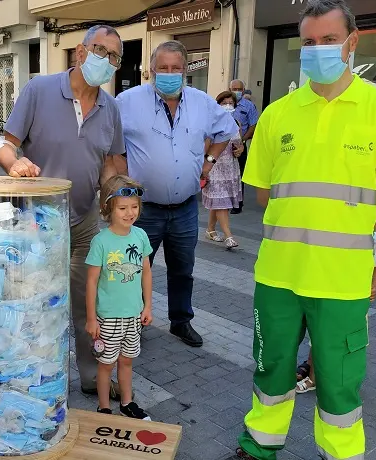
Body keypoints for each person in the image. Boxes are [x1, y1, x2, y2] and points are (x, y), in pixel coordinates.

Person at [235, 1, 376, 459]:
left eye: (328, 40)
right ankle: (258, 447)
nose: (317, 50)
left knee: (338, 380)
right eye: (309, 42)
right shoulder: (278, 113)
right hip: (279, 275)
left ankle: (340, 454)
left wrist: (347, 227)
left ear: (352, 43)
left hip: (342, 280)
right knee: (270, 367)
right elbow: (263, 192)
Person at [0, 24, 128, 401]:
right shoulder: (40, 90)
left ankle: (90, 376)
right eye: (99, 50)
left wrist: (115, 195)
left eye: (114, 55)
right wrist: (13, 163)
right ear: (80, 52)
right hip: (37, 220)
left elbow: (110, 162)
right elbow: (5, 143)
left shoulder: (110, 108)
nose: (105, 59)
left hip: (85, 219)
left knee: (90, 303)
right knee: (34, 302)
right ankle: (33, 377)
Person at [116, 40, 238, 348]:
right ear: (152, 70)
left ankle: (181, 321)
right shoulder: (126, 101)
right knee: (133, 268)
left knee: (183, 269)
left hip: (184, 207)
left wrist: (208, 165)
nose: (169, 74)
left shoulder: (202, 102)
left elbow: (226, 131)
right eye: (163, 68)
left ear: (185, 71)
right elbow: (110, 143)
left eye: (176, 68)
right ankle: (133, 322)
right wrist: (121, 183)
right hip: (143, 209)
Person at [85, 175, 153, 420]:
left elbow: (146, 272)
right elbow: (91, 282)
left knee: (127, 361)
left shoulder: (141, 236)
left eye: (134, 207)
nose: (129, 213)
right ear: (108, 208)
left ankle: (127, 402)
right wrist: (92, 319)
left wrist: (147, 306)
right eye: (123, 208)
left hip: (133, 315)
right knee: (106, 365)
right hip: (108, 319)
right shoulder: (101, 241)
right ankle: (104, 407)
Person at [296, 231, 376, 393]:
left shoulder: (372, 236)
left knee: (351, 340)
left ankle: (339, 376)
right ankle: (313, 373)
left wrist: (373, 288)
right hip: (326, 293)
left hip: (353, 298)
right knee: (319, 335)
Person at [203, 91, 244, 249]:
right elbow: (206, 147)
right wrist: (204, 167)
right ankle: (229, 236)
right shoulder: (212, 124)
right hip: (215, 168)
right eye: (224, 102)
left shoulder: (236, 124)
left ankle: (210, 230)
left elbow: (239, 144)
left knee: (219, 201)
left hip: (230, 168)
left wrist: (239, 150)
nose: (228, 105)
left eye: (231, 103)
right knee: (222, 203)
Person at [229, 79, 259, 214]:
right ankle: (224, 201)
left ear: (243, 90)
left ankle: (237, 204)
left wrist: (243, 139)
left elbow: (253, 125)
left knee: (239, 175)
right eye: (234, 89)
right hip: (223, 145)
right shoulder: (225, 104)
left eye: (239, 89)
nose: (236, 92)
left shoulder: (249, 106)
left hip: (239, 145)